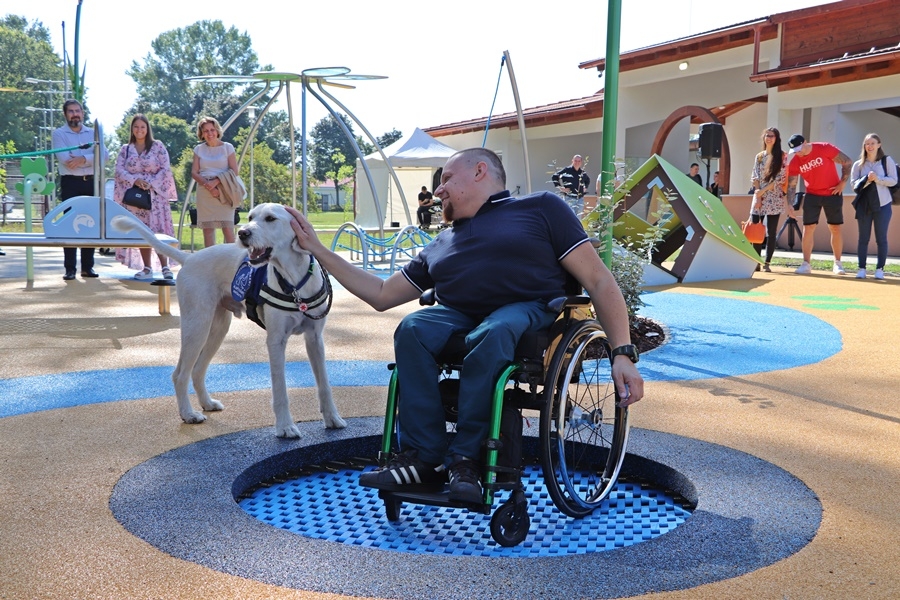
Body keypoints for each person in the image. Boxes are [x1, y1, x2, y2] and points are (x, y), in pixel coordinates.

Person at [287, 147, 644, 503]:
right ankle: (423, 458)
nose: (438, 190)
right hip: (459, 314)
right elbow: (381, 294)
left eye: (446, 178)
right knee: (412, 328)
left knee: (494, 330)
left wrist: (623, 353)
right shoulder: (441, 242)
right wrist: (317, 248)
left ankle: (465, 460)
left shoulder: (541, 208)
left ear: (479, 171)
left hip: (526, 309)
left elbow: (599, 281)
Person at [113, 114, 179, 280]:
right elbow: (119, 170)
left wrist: (150, 182)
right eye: (136, 127)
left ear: (147, 129)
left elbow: (165, 169)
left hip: (155, 197)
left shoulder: (157, 146)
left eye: (142, 127)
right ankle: (147, 267)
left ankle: (165, 267)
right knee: (141, 231)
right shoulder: (125, 149)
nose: (139, 130)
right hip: (135, 198)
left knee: (158, 231)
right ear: (132, 129)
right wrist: (135, 180)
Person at [51, 99, 108, 280]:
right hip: (70, 183)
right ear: (65, 114)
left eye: (77, 111)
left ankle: (87, 267)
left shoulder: (92, 133)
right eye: (71, 111)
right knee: (69, 223)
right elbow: (65, 159)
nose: (75, 114)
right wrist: (91, 158)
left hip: (90, 182)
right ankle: (70, 268)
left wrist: (82, 159)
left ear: (83, 113)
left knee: (90, 222)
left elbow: (104, 156)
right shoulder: (59, 134)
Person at [786, 134, 853, 275]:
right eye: (795, 151)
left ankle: (838, 263)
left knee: (835, 227)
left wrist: (842, 183)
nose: (798, 153)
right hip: (812, 195)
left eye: (799, 149)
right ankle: (806, 264)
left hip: (833, 193)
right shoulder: (795, 162)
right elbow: (792, 184)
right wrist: (790, 204)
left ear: (805, 142)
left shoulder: (824, 148)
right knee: (808, 227)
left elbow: (847, 161)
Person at [850, 133, 896, 280]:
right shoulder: (858, 164)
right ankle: (861, 268)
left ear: (879, 145)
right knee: (863, 238)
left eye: (872, 143)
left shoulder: (886, 161)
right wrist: (867, 181)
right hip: (864, 205)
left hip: (883, 204)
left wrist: (878, 179)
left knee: (881, 238)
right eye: (867, 144)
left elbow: (894, 180)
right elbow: (854, 185)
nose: (869, 146)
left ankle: (880, 269)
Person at [749, 128, 795, 272]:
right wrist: (758, 193)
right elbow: (755, 176)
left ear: (777, 138)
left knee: (771, 231)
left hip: (774, 196)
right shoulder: (759, 156)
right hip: (759, 196)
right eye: (767, 135)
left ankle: (767, 262)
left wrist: (762, 191)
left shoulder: (782, 156)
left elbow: (781, 178)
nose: (769, 138)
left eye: (772, 136)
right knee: (756, 229)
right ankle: (756, 261)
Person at [191, 116, 238, 247]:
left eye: (212, 129)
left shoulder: (228, 147)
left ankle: (233, 257)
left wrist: (216, 182)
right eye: (206, 131)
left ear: (217, 130)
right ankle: (210, 258)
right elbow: (194, 172)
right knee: (208, 230)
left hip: (225, 189)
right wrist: (209, 186)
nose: (210, 133)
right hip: (204, 190)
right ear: (201, 133)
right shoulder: (198, 149)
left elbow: (234, 171)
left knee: (227, 228)